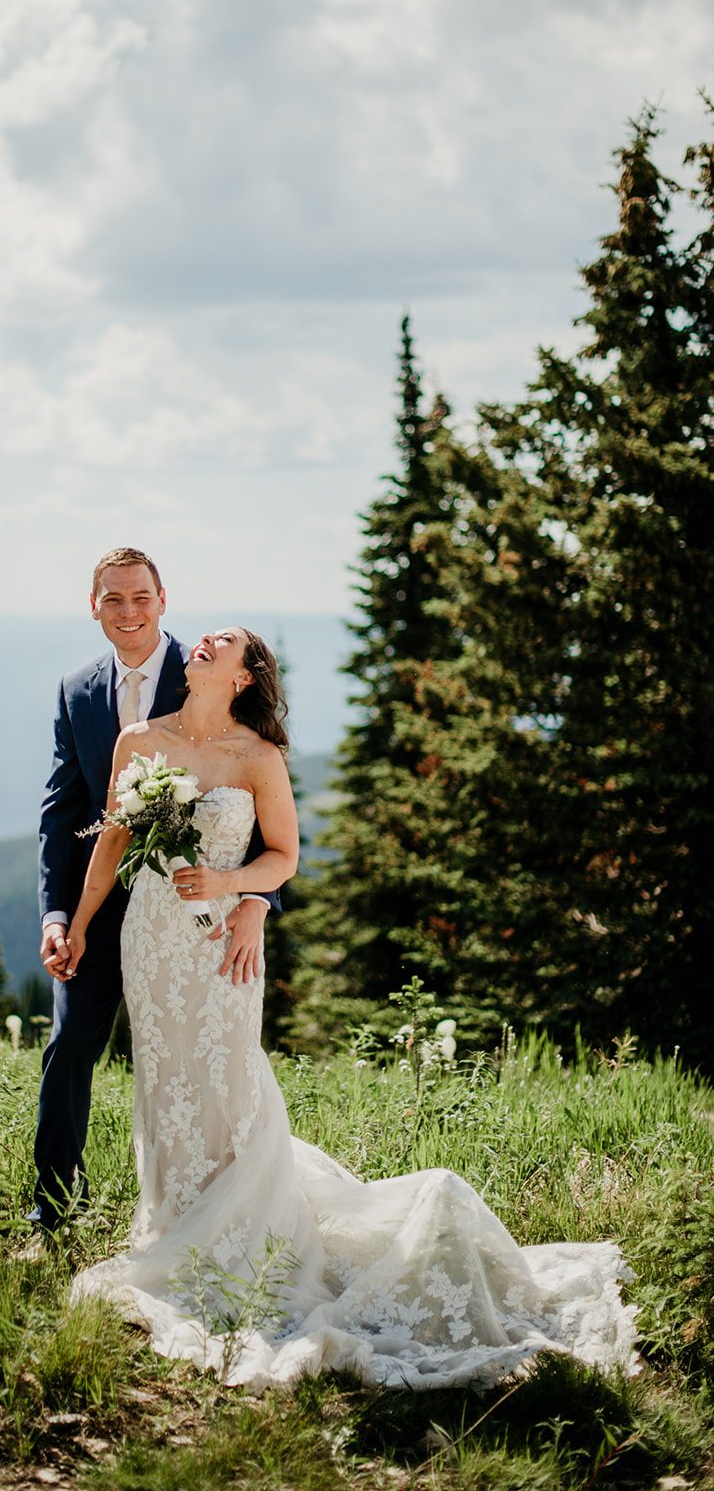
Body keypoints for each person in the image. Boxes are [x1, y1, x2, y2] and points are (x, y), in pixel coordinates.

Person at [63, 627, 639, 1391]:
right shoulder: (138, 741)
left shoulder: (256, 757)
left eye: (223, 642)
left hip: (220, 946)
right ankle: (176, 1226)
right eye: (204, 638)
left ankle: (250, 1238)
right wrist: (75, 925)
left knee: (229, 1078)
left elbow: (283, 856)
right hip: (152, 939)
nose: (202, 643)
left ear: (243, 676)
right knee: (165, 1081)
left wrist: (240, 895)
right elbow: (111, 840)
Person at [31, 549, 278, 1236]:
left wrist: (256, 904)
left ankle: (227, 1212)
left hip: (205, 919)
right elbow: (64, 813)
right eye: (113, 600)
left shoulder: (207, 675)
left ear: (163, 599)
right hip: (108, 907)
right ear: (94, 607)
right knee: (70, 1045)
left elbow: (266, 814)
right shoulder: (76, 689)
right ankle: (50, 1212)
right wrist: (59, 916)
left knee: (202, 1061)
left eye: (140, 597)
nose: (128, 612)